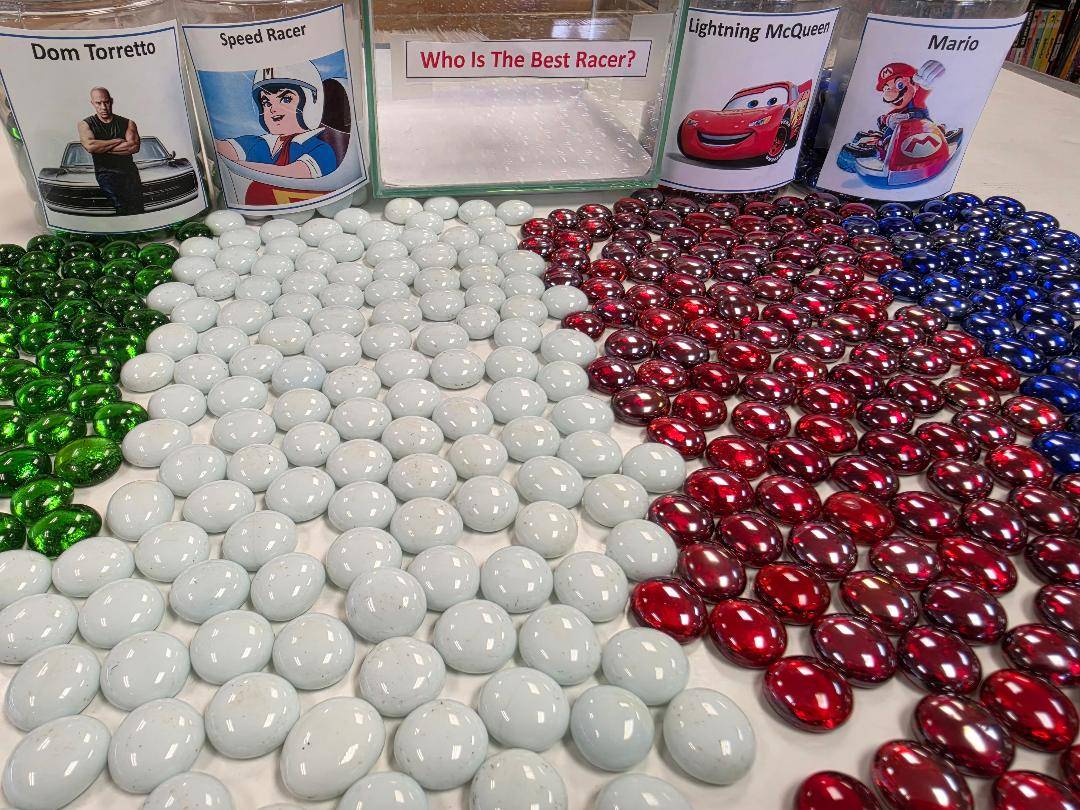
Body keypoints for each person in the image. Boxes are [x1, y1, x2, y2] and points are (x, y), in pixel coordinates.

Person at [215, 61, 338, 185]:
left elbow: (291, 175)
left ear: (311, 101)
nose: (273, 109)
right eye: (266, 103)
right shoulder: (261, 144)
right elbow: (222, 149)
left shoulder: (321, 150)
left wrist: (232, 166)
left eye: (286, 99)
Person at [841, 60, 962, 170]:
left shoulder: (916, 103)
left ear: (914, 84)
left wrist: (924, 85)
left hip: (923, 136)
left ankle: (942, 137)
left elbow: (921, 95)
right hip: (898, 145)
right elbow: (881, 121)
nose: (890, 93)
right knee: (884, 137)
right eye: (887, 88)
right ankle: (877, 150)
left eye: (899, 85)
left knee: (936, 130)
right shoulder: (893, 114)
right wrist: (888, 120)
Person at [77, 87, 144, 215]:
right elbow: (90, 146)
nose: (103, 107)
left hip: (130, 173)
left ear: (111, 101)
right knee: (121, 208)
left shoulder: (128, 123)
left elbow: (133, 147)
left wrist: (101, 148)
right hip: (106, 174)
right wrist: (117, 140)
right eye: (98, 103)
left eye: (106, 102)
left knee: (137, 209)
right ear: (92, 103)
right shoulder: (85, 124)